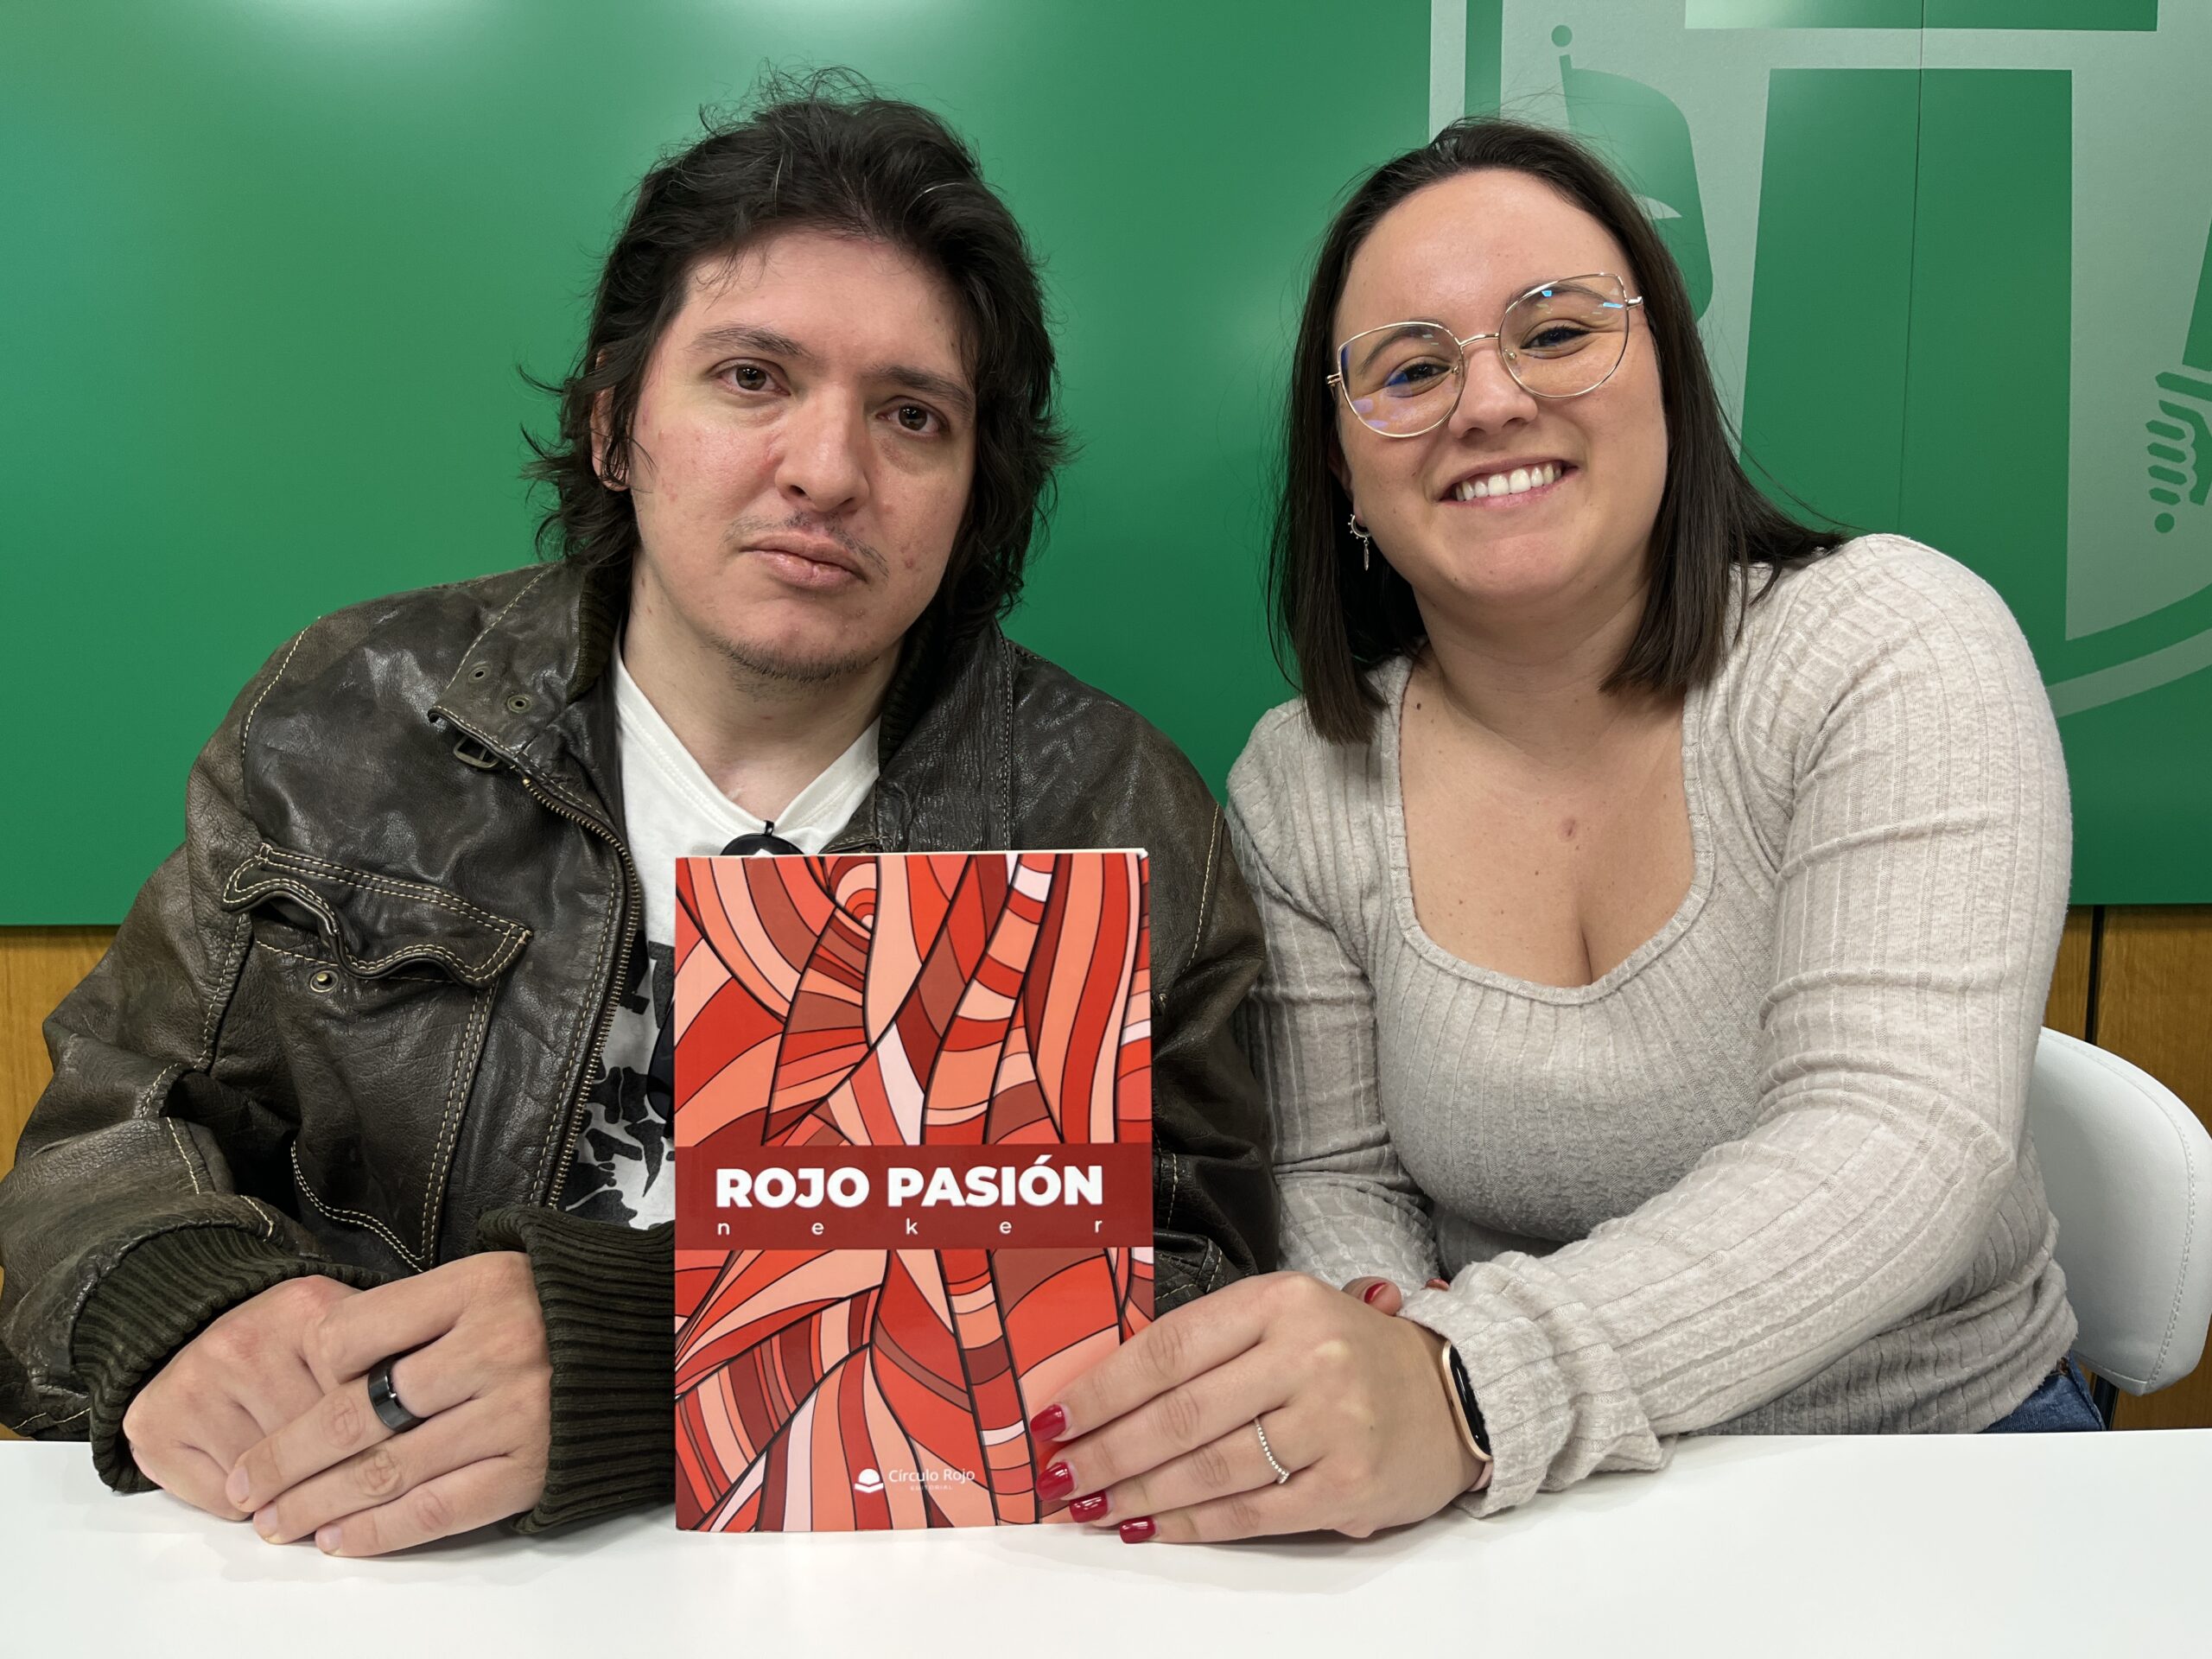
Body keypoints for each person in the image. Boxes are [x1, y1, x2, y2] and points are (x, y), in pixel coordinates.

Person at [0, 74, 1275, 1554]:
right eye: (752, 378)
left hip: (884, 1587)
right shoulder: (343, 721)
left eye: (912, 415)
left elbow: (1191, 1283)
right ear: (616, 428)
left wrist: (646, 1351)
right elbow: (108, 1122)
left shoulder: (1112, 814)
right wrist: (173, 1302)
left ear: (973, 490)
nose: (826, 471)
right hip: (372, 1570)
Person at [1021, 116, 2085, 1547]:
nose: (1489, 401)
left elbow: (1897, 1137)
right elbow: (1338, 1183)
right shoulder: (1303, 776)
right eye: (1410, 370)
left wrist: (1465, 1384)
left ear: (1668, 374)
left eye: (1558, 333)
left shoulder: (1891, 643)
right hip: (1524, 1512)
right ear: (1343, 466)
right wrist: (1394, 1362)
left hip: (1947, 1472)